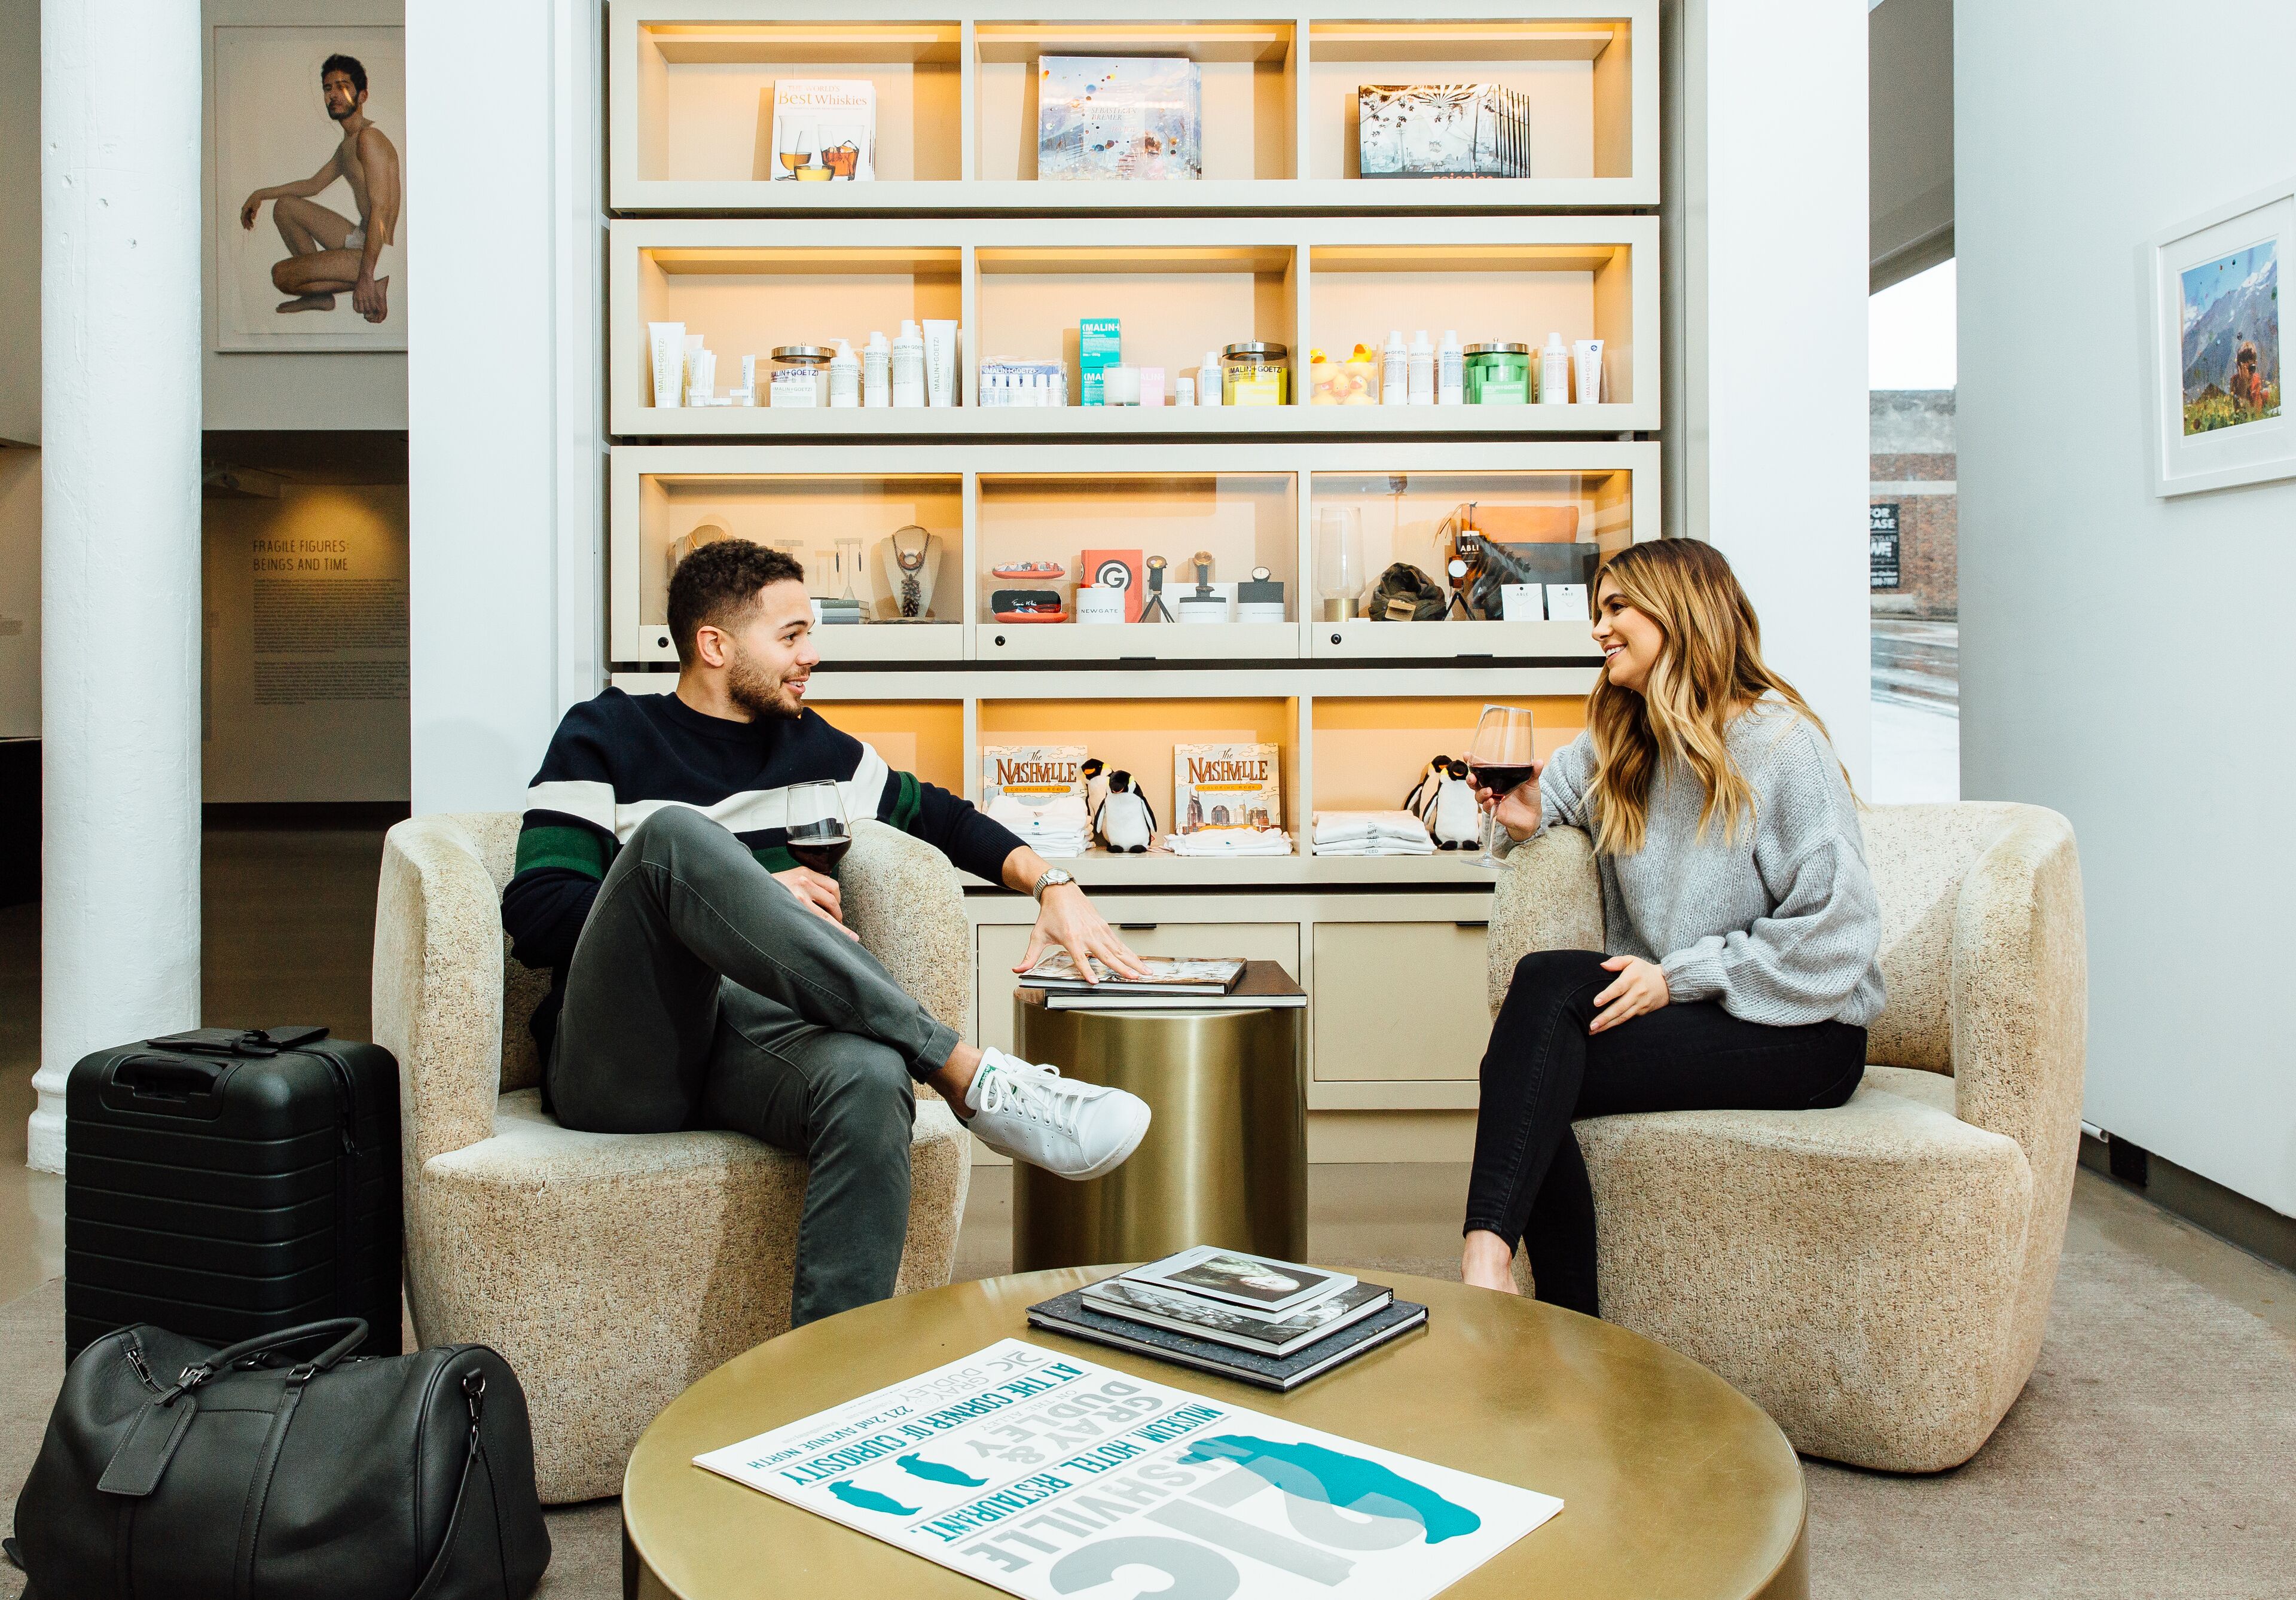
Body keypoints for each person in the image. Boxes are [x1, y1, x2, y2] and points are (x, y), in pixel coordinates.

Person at [502, 539, 1155, 1326]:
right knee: (675, 839)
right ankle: (960, 1067)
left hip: (752, 1043)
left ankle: (833, 1382)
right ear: (714, 645)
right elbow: (536, 913)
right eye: (790, 637)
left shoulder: (814, 749)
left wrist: (1053, 884)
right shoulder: (605, 733)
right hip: (624, 1059)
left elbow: (941, 815)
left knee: (870, 1077)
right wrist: (740, 892)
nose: (812, 656)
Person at [1459, 539, 1883, 1314]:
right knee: (1535, 1058)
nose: (1598, 628)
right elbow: (1542, 798)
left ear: (1679, 613)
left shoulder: (1786, 748)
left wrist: (1680, 976)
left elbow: (1840, 935)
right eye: (1596, 611)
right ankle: (1544, 1312)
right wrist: (1520, 817)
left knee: (1536, 1041)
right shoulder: (1620, 744)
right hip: (1691, 1017)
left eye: (1617, 607)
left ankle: (1503, 1278)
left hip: (1806, 1029)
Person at [238, 53, 401, 322]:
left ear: (363, 96)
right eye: (328, 88)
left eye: (343, 87)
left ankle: (374, 284)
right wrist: (260, 195)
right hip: (364, 236)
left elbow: (381, 210)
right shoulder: (349, 143)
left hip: (377, 251)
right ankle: (320, 297)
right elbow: (313, 185)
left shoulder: (369, 140)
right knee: (286, 207)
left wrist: (365, 275)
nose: (334, 95)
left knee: (281, 275)